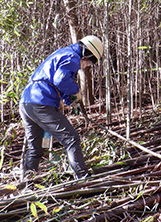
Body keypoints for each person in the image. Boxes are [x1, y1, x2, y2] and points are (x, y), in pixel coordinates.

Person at [19, 35, 103, 179]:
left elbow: (56, 81)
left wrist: (72, 101)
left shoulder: (62, 53)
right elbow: (60, 80)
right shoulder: (73, 57)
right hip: (41, 101)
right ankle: (82, 177)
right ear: (87, 53)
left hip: (27, 102)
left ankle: (28, 182)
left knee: (36, 147)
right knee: (71, 139)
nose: (88, 64)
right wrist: (76, 92)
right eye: (90, 61)